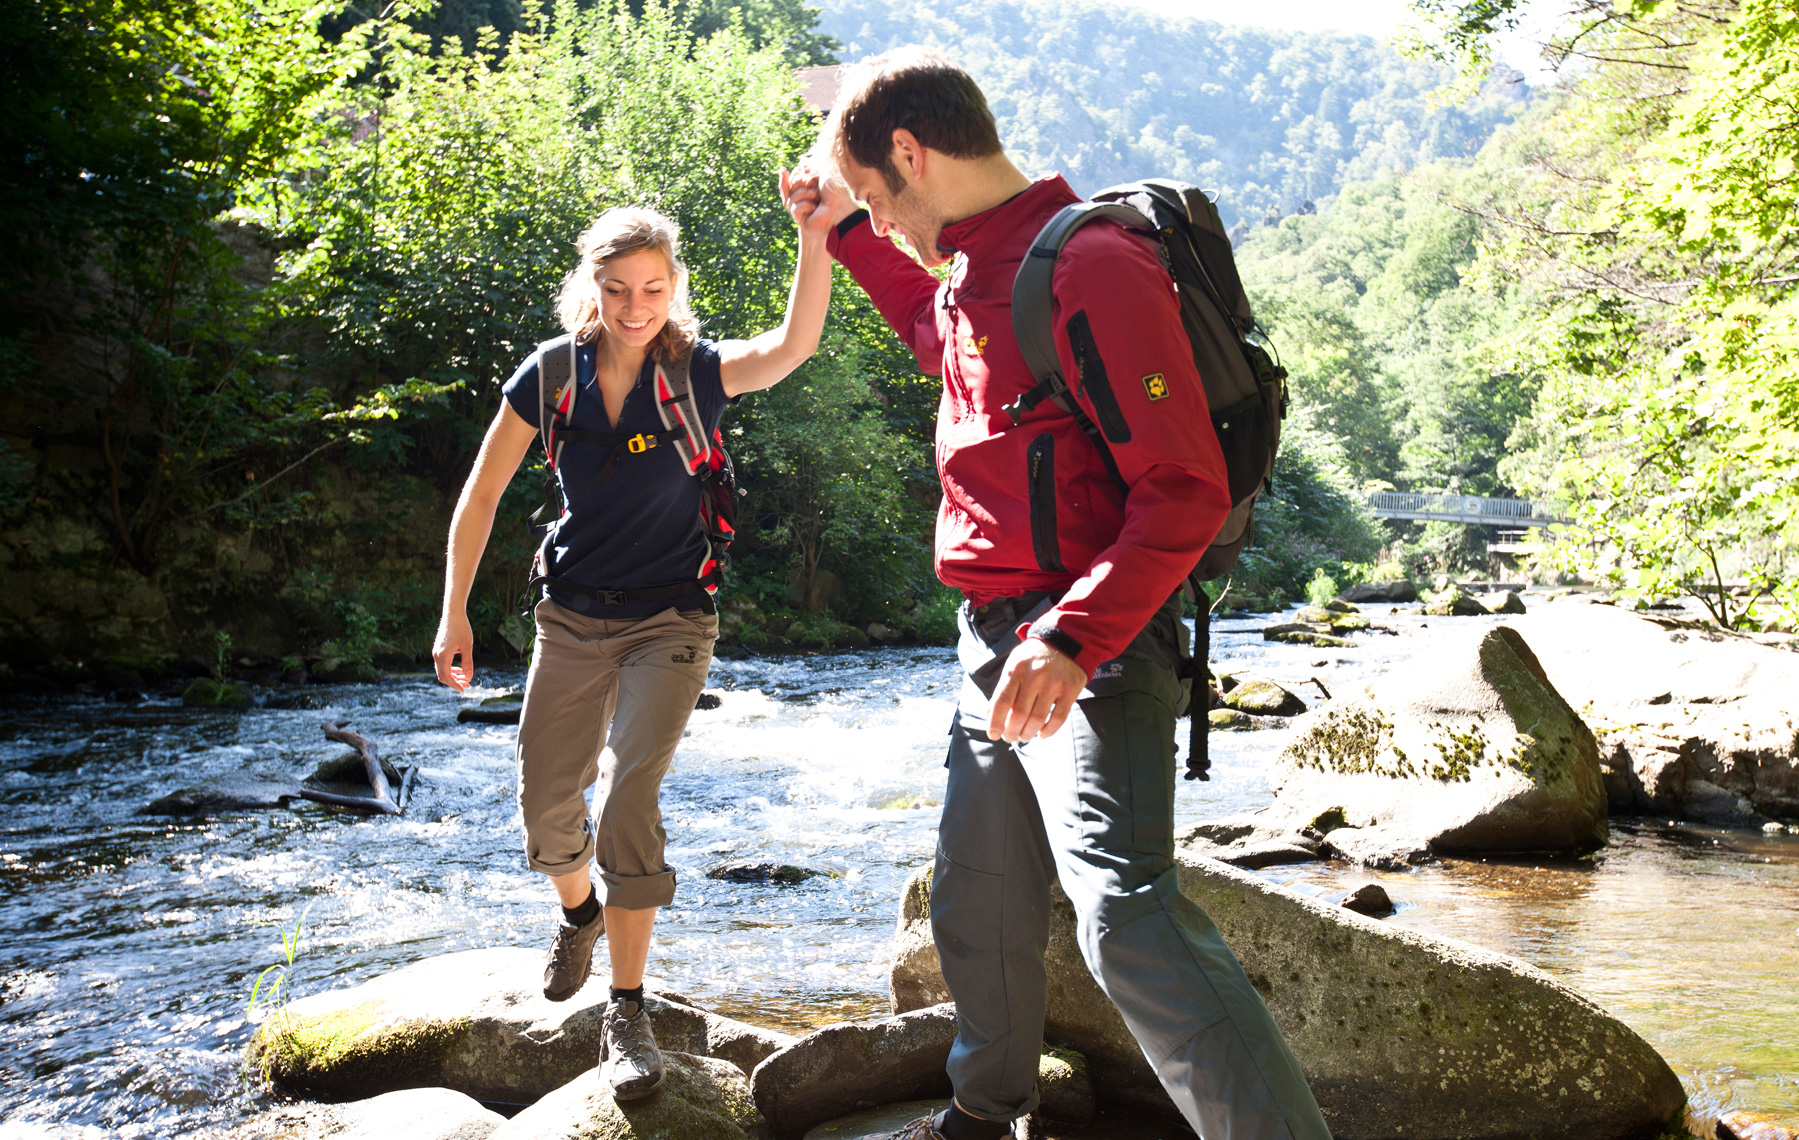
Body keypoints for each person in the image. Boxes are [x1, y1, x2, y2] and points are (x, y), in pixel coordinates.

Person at [795, 48, 1334, 1140]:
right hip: (986, 643)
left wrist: (1075, 640)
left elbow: (1182, 488)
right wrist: (843, 233)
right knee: (978, 903)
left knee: (1125, 915)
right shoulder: (969, 275)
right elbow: (928, 330)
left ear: (910, 153)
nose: (884, 220)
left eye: (878, 196)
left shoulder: (1090, 264)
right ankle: (982, 1119)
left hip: (1095, 644)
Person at [430, 179, 841, 1101]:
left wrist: (814, 237)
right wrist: (454, 610)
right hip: (573, 614)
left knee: (629, 794)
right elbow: (482, 493)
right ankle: (578, 912)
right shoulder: (551, 372)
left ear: (674, 287)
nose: (633, 307)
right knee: (546, 805)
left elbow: (793, 346)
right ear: (592, 287)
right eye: (617, 288)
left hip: (673, 616)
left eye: (652, 288)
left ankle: (627, 1007)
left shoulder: (696, 372)